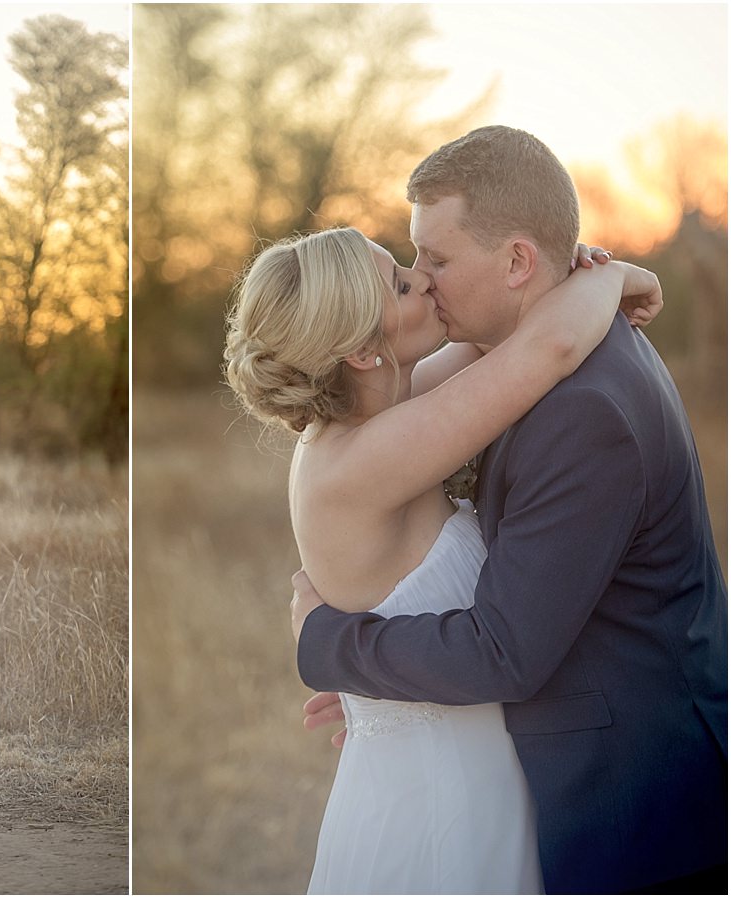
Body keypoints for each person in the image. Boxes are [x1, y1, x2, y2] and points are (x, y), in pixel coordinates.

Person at [289, 127, 727, 894]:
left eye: (436, 259)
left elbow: (504, 651)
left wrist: (339, 647)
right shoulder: (497, 369)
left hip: (633, 810)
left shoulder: (579, 403)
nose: (423, 281)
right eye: (408, 267)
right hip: (507, 791)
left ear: (519, 261)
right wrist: (608, 276)